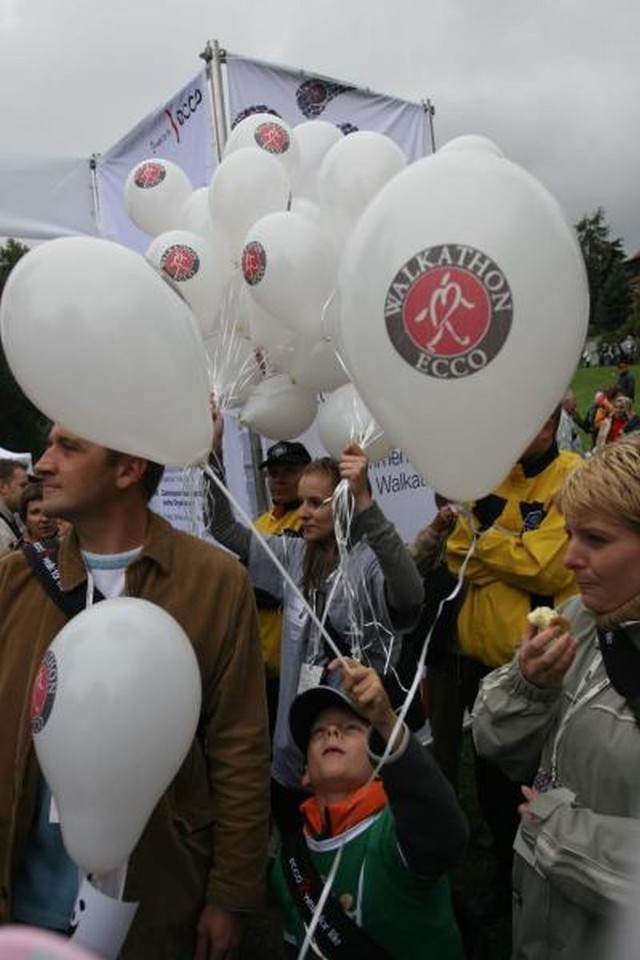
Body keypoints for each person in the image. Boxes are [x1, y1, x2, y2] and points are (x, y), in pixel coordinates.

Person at [0, 423, 270, 960]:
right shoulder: (13, 584)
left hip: (157, 904)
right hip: (25, 908)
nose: (43, 464)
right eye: (50, 445)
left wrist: (231, 894)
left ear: (128, 470)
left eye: (68, 447)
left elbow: (239, 748)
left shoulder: (215, 582)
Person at [207, 412, 424, 834]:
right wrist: (212, 454)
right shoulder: (292, 557)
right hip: (294, 753)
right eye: (301, 502)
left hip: (355, 755)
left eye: (315, 503)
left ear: (342, 503)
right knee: (296, 854)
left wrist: (367, 505)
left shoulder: (370, 563)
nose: (302, 513)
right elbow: (222, 528)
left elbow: (411, 593)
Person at [473, 435, 640, 960]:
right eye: (569, 534)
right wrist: (529, 687)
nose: (569, 559)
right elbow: (493, 742)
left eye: (595, 539)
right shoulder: (582, 619)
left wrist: (559, 836)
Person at [431, 408, 581, 911]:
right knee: (492, 779)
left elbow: (550, 566)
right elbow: (455, 553)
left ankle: (548, 879)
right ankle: (504, 875)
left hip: (540, 672)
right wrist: (511, 550)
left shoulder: (572, 475)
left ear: (550, 424)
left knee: (542, 782)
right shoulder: (486, 479)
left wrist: (485, 544)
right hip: (481, 666)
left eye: (535, 419)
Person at [270, 659, 468, 959]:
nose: (331, 732)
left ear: (378, 760)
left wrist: (385, 721)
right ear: (305, 773)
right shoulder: (288, 865)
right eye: (317, 731)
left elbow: (446, 835)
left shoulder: (397, 832)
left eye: (350, 728)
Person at [252, 440, 311, 734]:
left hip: (296, 664)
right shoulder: (261, 522)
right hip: (263, 665)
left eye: (288, 471)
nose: (279, 480)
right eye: (273, 473)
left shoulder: (309, 520)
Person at [0, 458, 28, 554]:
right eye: (23, 486)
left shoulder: (9, 519)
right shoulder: (2, 529)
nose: (27, 492)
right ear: (3, 487)